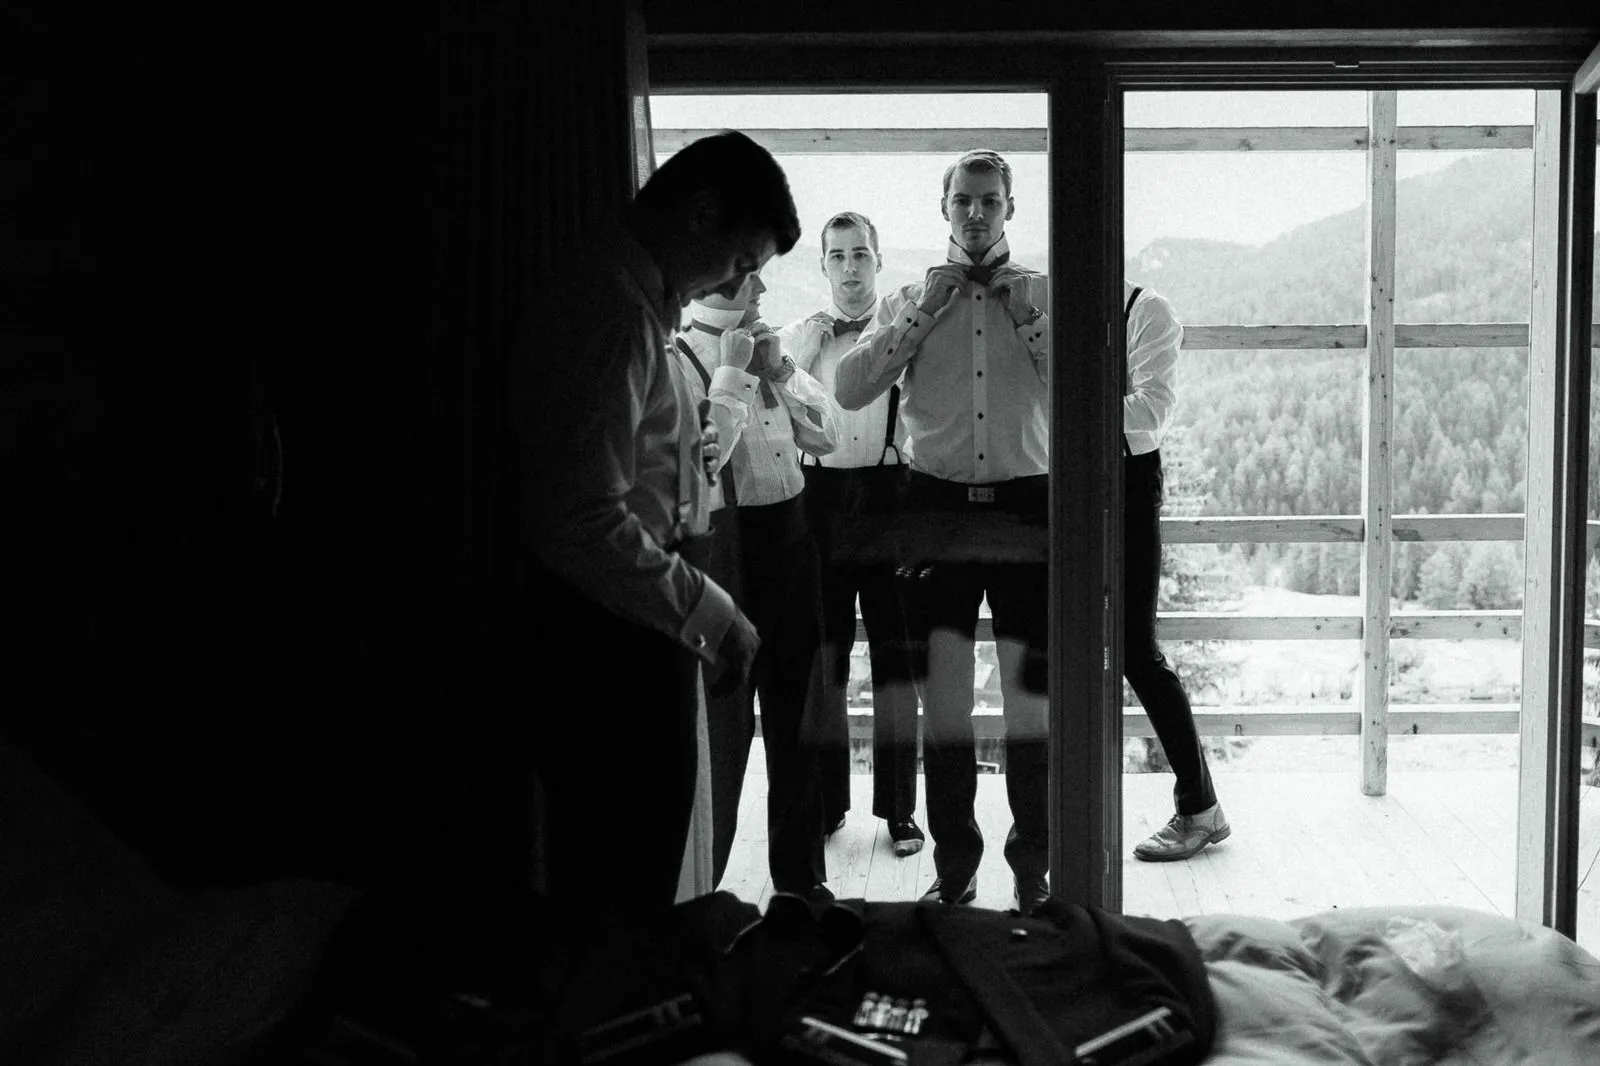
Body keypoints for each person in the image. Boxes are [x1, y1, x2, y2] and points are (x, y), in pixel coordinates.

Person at [509, 130, 797, 914]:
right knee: (622, 876)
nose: (736, 283)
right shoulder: (613, 313)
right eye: (741, 262)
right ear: (701, 214)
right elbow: (576, 515)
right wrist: (705, 608)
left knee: (637, 858)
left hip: (632, 617)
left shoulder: (636, 303)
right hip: (606, 633)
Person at [836, 149, 1052, 916]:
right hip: (932, 506)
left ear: (1010, 209)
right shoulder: (907, 299)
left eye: (990, 201)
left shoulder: (1044, 294)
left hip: (1030, 505)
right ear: (944, 208)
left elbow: (1082, 391)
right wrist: (926, 311)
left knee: (1034, 699)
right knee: (946, 702)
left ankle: (1035, 868)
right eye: (963, 200)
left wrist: (1027, 316)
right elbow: (851, 387)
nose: (976, 213)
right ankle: (955, 865)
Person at [676, 269, 840, 902]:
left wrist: (782, 374)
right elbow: (702, 466)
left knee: (799, 711)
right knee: (722, 721)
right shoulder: (683, 359)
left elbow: (825, 435)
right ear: (715, 284)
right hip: (723, 547)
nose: (766, 290)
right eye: (750, 280)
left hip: (791, 538)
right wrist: (737, 374)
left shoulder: (772, 350)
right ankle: (702, 887)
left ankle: (800, 884)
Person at [776, 211, 925, 858]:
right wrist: (803, 350)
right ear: (824, 266)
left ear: (879, 258)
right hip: (820, 502)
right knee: (824, 659)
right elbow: (768, 398)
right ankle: (827, 804)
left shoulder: (899, 337)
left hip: (890, 498)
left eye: (861, 253)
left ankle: (900, 812)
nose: (850, 267)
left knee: (896, 662)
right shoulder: (801, 337)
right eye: (838, 256)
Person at [1120, 280, 1231, 862]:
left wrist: (1057, 407)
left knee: (1136, 649)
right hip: (1052, 479)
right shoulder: (1046, 302)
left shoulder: (1150, 311)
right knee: (1054, 641)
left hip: (1127, 482)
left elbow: (1152, 412)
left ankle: (1200, 808)